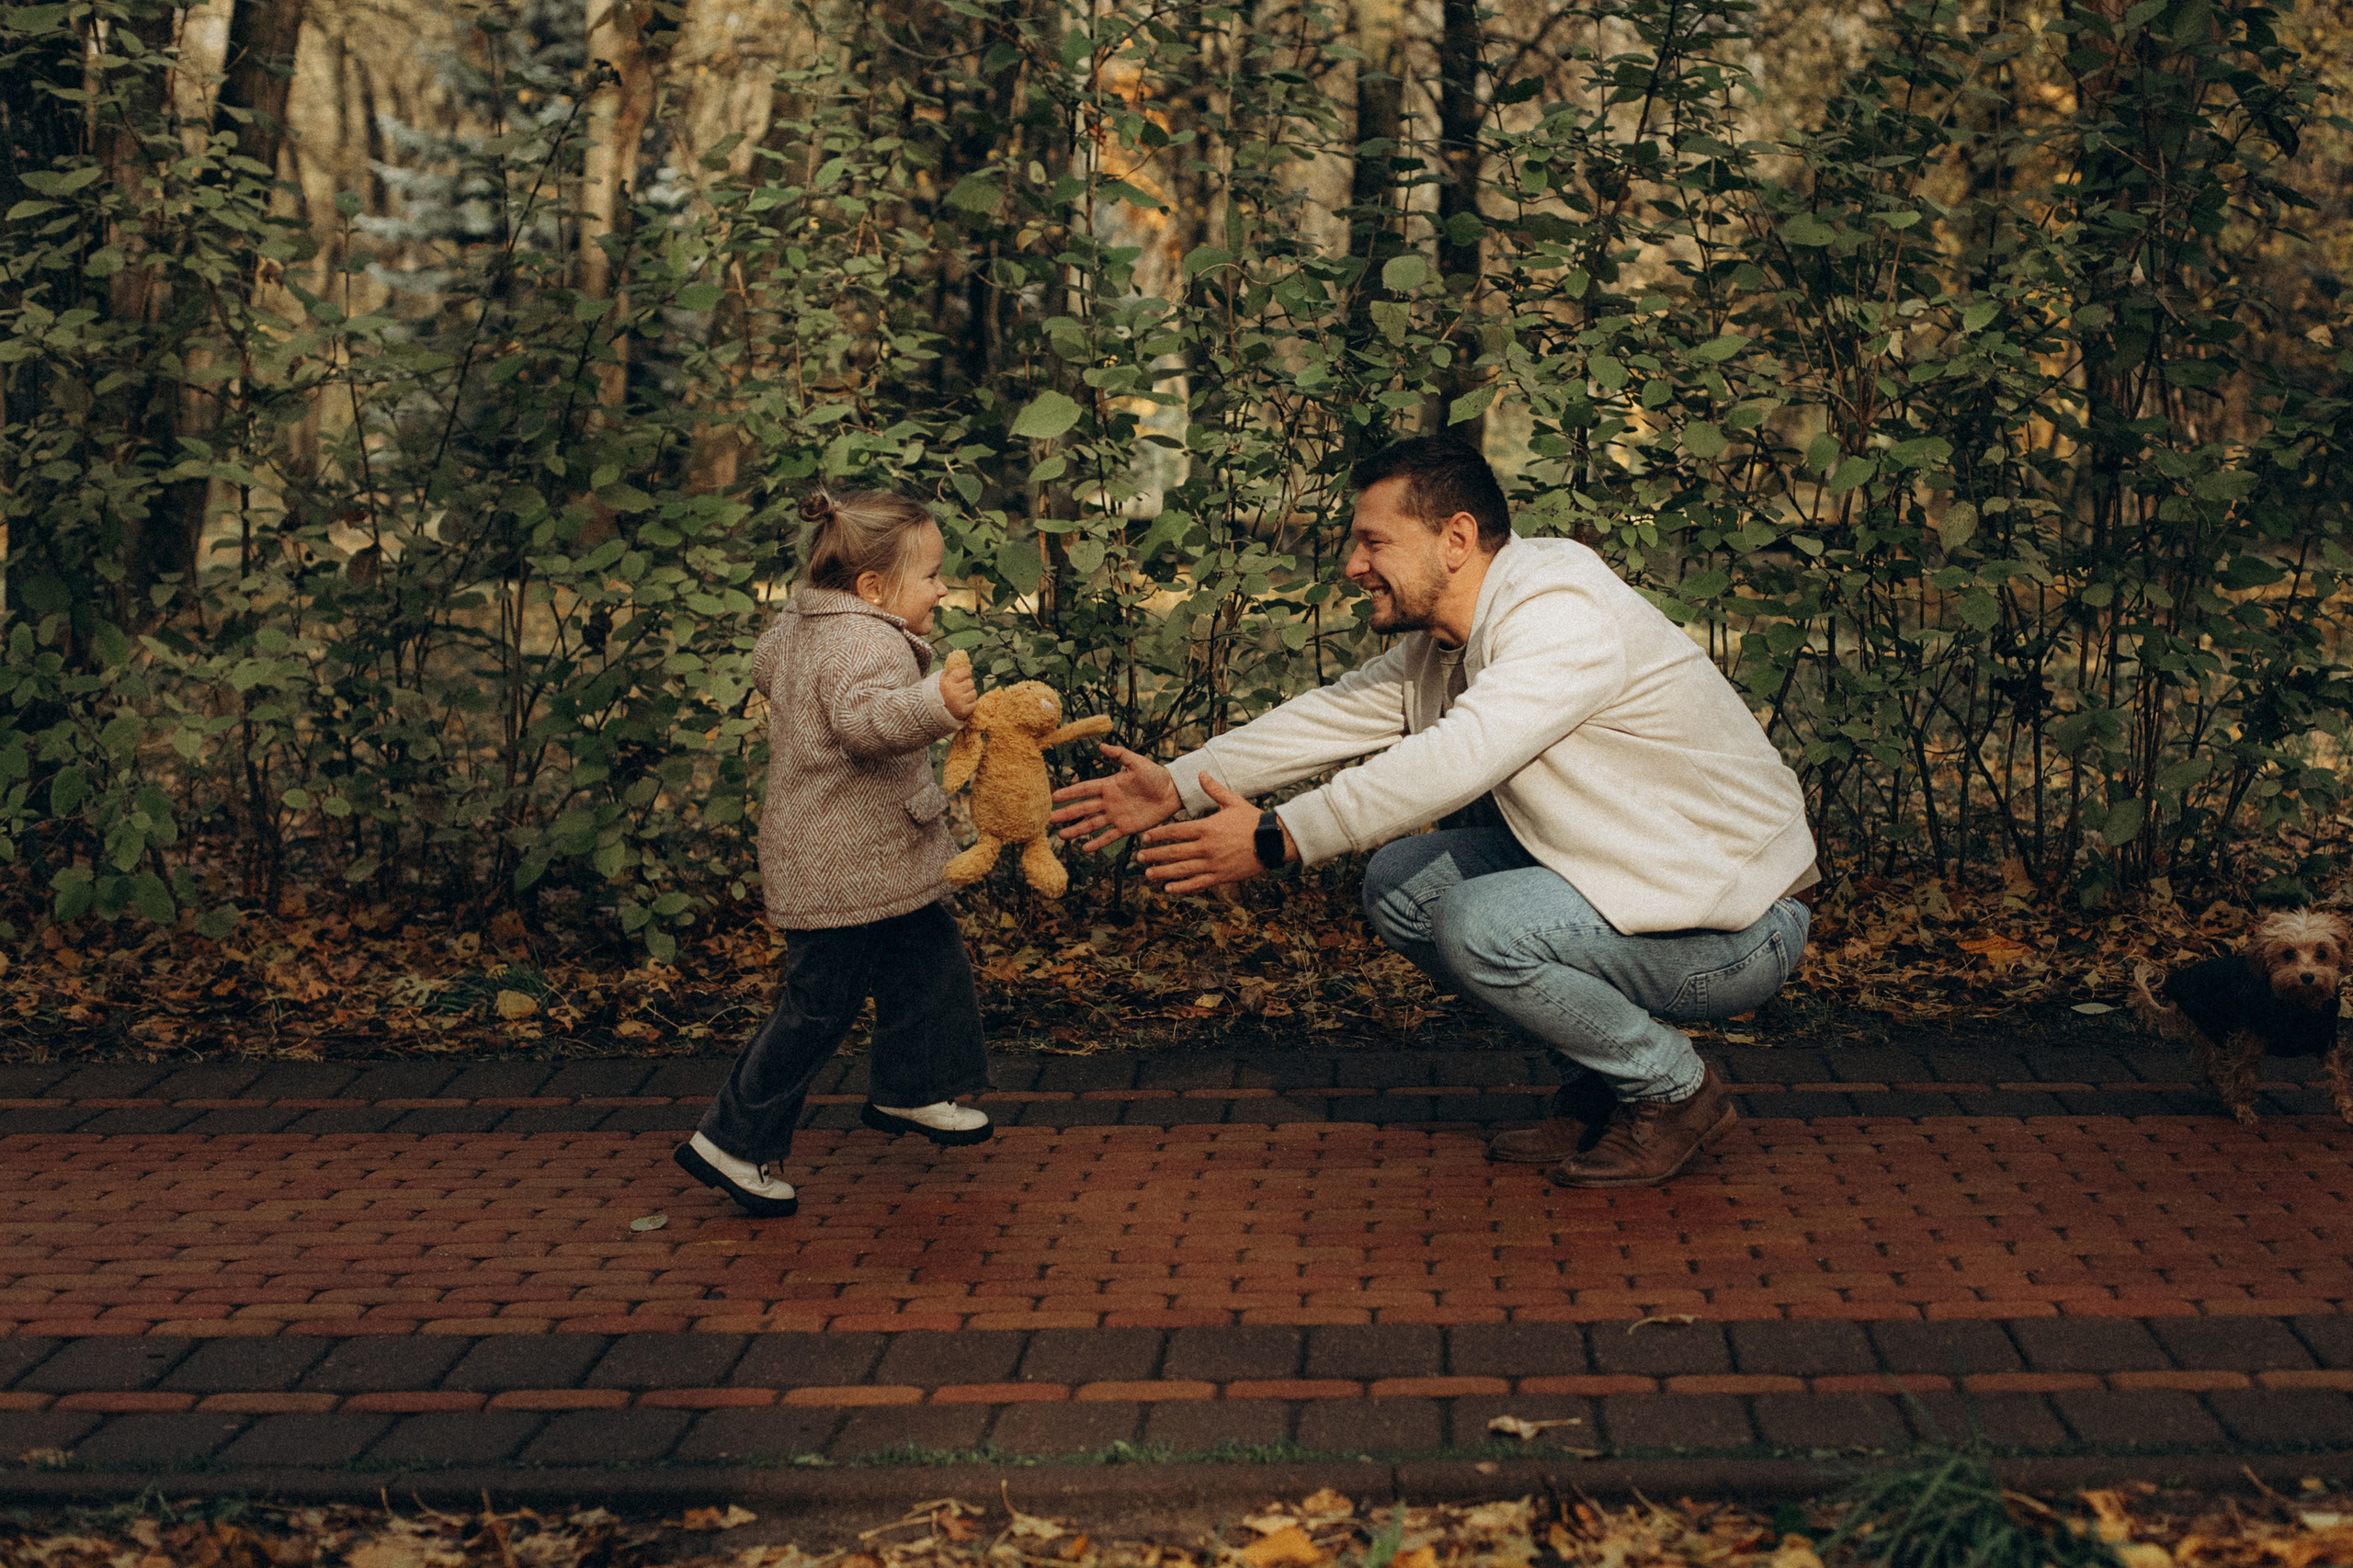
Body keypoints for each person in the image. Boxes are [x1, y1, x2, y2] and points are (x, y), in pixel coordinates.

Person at [1049, 435, 1817, 1188]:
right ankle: (1607, 1079)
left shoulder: (1562, 618)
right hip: (1647, 885)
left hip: (1739, 924)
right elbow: (1337, 715)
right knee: (1403, 884)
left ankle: (1672, 1091)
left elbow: (1456, 757)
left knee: (1477, 923)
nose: (1354, 566)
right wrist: (1177, 784)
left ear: (1456, 539)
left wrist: (1280, 837)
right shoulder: (1451, 638)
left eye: (1373, 542)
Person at [675, 489, 995, 1219]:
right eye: (934, 576)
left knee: (928, 960)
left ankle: (911, 1090)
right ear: (873, 589)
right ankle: (733, 1138)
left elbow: (769, 669)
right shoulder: (863, 638)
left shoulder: (805, 622)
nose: (944, 588)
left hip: (862, 857)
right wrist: (936, 705)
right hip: (842, 866)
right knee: (818, 1008)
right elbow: (864, 721)